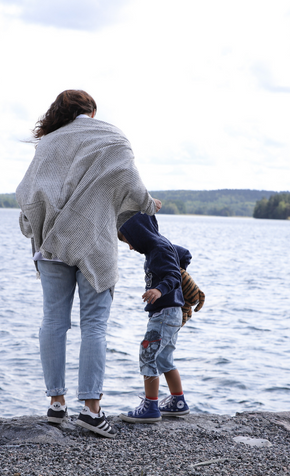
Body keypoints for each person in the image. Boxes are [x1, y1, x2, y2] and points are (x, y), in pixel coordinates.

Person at [15, 89, 161, 438]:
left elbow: (27, 193)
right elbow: (131, 183)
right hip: (95, 242)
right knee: (94, 325)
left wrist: (35, 224)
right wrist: (149, 205)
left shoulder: (49, 143)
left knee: (53, 320)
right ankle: (92, 411)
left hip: (52, 244)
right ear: (91, 112)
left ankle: (56, 404)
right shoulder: (111, 136)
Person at [117, 212, 191, 423]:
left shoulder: (158, 249)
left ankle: (151, 406)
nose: (130, 247)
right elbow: (184, 254)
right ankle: (178, 402)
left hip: (164, 312)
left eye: (129, 241)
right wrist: (182, 266)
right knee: (164, 358)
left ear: (138, 234)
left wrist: (159, 289)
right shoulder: (161, 246)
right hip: (171, 313)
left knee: (148, 355)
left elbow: (173, 276)